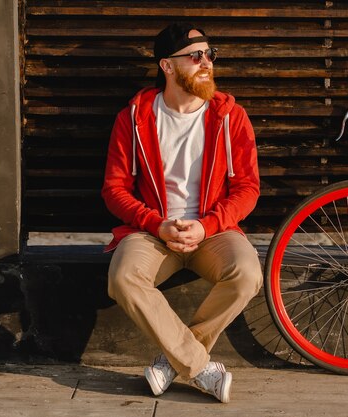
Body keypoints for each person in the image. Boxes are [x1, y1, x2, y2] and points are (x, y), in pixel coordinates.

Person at [101, 22, 262, 403]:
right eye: (195, 56)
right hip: (153, 232)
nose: (206, 62)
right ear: (167, 67)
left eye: (209, 54)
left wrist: (206, 227)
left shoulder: (230, 117)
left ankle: (173, 361)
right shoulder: (135, 119)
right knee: (123, 277)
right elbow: (114, 189)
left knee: (247, 274)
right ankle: (198, 366)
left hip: (213, 231)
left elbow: (248, 189)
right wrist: (156, 224)